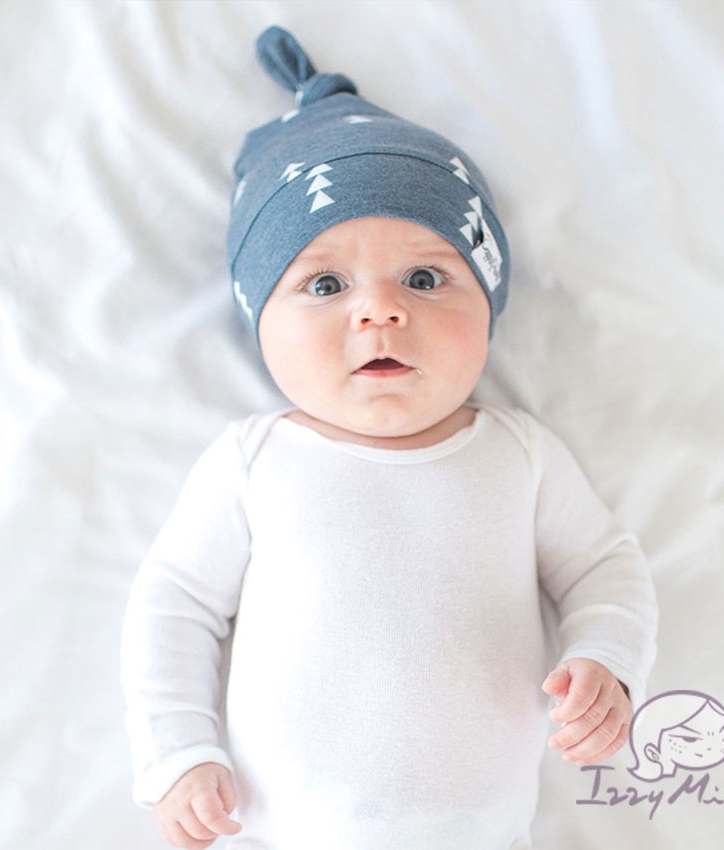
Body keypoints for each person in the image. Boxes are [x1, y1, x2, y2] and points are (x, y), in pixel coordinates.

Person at [121, 26, 658, 850]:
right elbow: (174, 604)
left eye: (424, 277)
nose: (380, 309)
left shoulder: (519, 455)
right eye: (325, 284)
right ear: (260, 324)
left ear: (488, 307)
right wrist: (177, 753)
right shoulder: (255, 463)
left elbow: (604, 566)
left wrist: (609, 661)